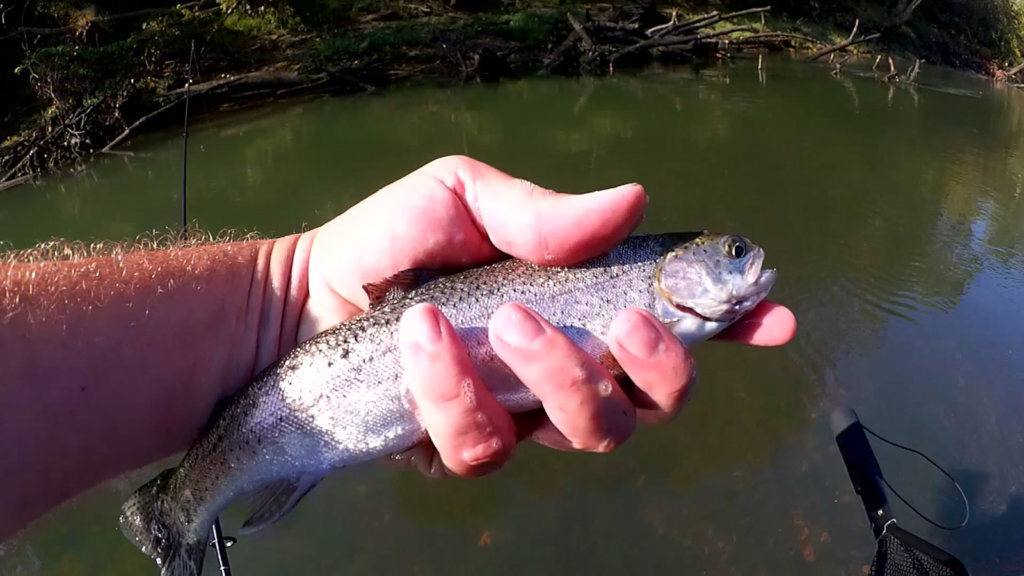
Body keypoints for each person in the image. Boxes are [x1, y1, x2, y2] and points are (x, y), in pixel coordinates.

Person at [0, 155, 796, 543]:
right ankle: (177, 507)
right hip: (315, 385)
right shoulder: (644, 273)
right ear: (678, 266)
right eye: (730, 253)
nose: (744, 260)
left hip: (325, 383)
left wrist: (283, 298)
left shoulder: (670, 304)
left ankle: (181, 502)